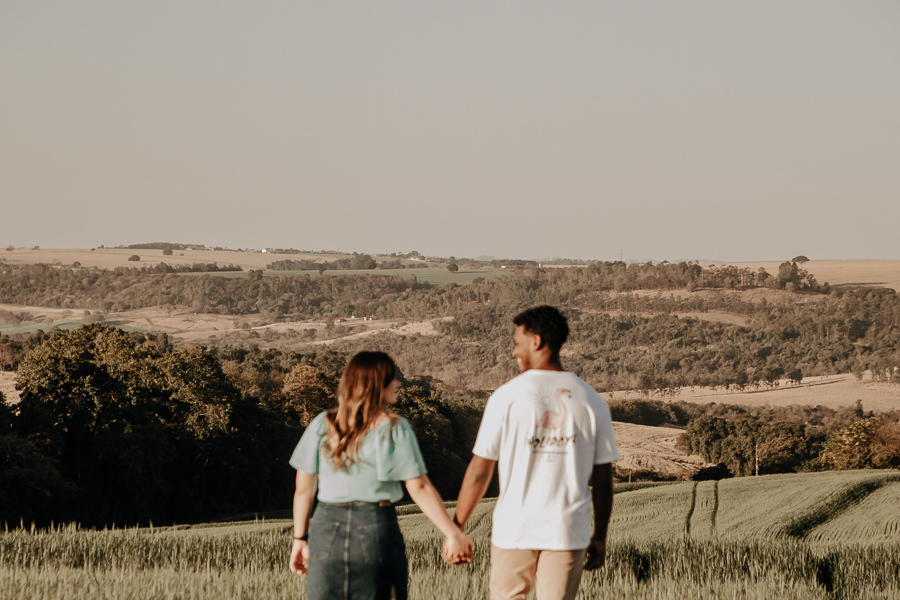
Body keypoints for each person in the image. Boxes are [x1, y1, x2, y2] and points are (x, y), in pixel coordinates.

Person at [448, 305, 618, 600]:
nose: (514, 351)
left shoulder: (505, 397)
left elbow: (479, 471)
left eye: (517, 342)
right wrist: (600, 537)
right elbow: (603, 480)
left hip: (514, 530)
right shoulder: (593, 401)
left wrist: (456, 528)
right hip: (568, 532)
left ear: (536, 341)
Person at [288, 351, 473, 600]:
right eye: (392, 378)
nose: (398, 383)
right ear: (377, 384)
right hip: (375, 525)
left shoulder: (322, 424)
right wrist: (453, 533)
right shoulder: (394, 427)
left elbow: (303, 491)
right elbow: (419, 487)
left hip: (325, 528)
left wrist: (300, 538)